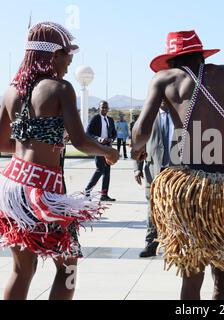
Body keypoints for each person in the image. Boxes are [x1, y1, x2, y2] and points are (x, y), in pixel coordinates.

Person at [131, 30, 224, 300]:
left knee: (192, 272)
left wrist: (137, 151)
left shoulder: (164, 79)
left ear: (172, 60)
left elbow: (141, 131)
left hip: (192, 188)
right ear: (202, 56)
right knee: (223, 269)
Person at [0, 22, 118, 300]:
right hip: (43, 191)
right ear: (53, 56)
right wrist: (107, 152)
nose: (69, 64)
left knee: (21, 269)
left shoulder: (10, 91)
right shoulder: (60, 88)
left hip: (13, 188)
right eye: (69, 57)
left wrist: (30, 144)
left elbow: (1, 143)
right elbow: (80, 141)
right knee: (68, 266)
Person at [134, 109, 174, 258]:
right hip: (153, 170)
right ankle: (151, 243)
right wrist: (136, 169)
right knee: (152, 208)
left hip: (175, 171)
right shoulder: (148, 117)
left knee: (173, 208)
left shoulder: (180, 114)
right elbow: (137, 143)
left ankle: (172, 244)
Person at [84, 101, 118, 202]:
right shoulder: (95, 119)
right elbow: (88, 133)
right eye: (102, 107)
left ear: (108, 109)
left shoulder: (110, 120)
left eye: (106, 108)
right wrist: (99, 139)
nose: (104, 109)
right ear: (99, 108)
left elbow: (114, 133)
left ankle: (104, 194)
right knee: (100, 169)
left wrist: (111, 139)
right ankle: (87, 190)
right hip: (98, 147)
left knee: (107, 171)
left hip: (108, 147)